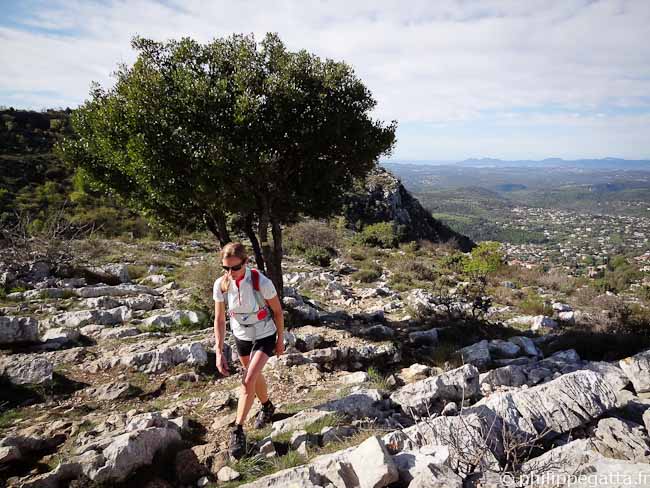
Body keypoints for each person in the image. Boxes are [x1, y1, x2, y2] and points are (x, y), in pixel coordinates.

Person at [213, 242, 285, 460]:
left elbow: (278, 312)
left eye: (235, 268)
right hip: (241, 336)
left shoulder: (261, 282)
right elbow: (219, 318)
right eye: (226, 268)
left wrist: (280, 340)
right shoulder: (221, 285)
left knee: (248, 379)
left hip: (264, 335)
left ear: (246, 262)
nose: (230, 273)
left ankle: (238, 430)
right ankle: (267, 406)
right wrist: (218, 350)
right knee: (254, 376)